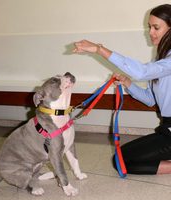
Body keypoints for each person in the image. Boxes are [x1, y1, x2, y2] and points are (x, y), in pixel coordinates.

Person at [73, 4, 171, 175]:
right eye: (149, 27)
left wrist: (98, 49)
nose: (150, 32)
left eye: (156, 27)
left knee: (121, 161)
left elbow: (141, 72)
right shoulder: (160, 60)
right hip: (167, 128)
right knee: (120, 160)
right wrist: (128, 83)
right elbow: (150, 99)